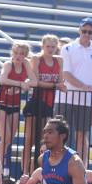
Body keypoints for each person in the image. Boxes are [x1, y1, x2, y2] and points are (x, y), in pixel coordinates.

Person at [54, 17, 92, 164]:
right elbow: (66, 74)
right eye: (84, 31)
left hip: (86, 101)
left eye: (90, 32)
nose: (87, 34)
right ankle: (59, 166)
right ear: (79, 30)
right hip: (65, 98)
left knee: (82, 135)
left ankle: (82, 168)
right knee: (60, 134)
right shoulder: (67, 48)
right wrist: (85, 87)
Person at [0, 41, 36, 184]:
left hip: (15, 105)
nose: (19, 56)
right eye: (16, 53)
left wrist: (27, 82)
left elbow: (34, 81)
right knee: (5, 136)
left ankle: (1, 168)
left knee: (10, 140)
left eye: (22, 54)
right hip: (1, 104)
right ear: (13, 53)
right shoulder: (8, 64)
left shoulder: (26, 64)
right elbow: (3, 79)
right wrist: (21, 84)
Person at [22, 34, 65, 176]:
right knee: (29, 140)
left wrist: (53, 85)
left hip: (49, 104)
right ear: (43, 46)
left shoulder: (59, 61)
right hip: (36, 101)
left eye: (53, 47)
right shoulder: (36, 59)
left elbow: (61, 81)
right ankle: (25, 172)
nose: (50, 49)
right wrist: (54, 85)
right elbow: (36, 81)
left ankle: (42, 172)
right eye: (48, 46)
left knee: (46, 141)